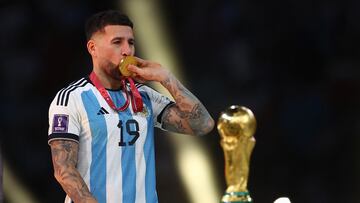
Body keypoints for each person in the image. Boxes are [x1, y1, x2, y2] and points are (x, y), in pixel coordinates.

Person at [47, 10, 214, 203]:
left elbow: (203, 125)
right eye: (117, 42)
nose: (127, 50)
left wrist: (166, 78)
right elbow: (64, 170)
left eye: (131, 42)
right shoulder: (71, 98)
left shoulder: (145, 96)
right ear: (93, 48)